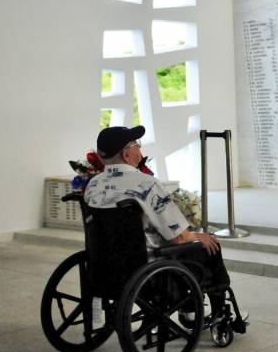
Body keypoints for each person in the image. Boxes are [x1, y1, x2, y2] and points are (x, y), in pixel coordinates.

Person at [84, 125, 234, 322]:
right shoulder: (145, 184)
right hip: (147, 268)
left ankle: (190, 310)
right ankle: (215, 312)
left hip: (104, 268)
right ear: (126, 154)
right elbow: (178, 236)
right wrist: (199, 236)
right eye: (136, 144)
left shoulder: (93, 185)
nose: (140, 149)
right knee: (208, 245)